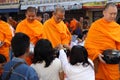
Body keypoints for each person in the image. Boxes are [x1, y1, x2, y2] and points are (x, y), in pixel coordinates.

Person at [84, 2, 120, 80]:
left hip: (113, 62)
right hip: (99, 61)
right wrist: (97, 54)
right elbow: (89, 44)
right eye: (111, 14)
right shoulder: (95, 26)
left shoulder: (117, 27)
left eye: (115, 14)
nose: (113, 16)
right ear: (104, 12)